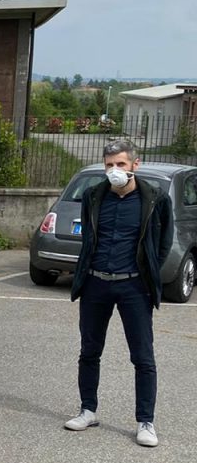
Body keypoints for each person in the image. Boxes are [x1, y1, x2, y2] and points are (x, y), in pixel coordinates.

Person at [65, 139, 173, 446]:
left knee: (143, 357)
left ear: (135, 165)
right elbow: (88, 235)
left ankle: (145, 422)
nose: (115, 170)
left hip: (133, 286)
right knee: (89, 351)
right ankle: (88, 410)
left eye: (121, 164)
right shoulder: (93, 196)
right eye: (109, 164)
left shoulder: (155, 199)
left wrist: (147, 272)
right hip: (96, 283)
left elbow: (164, 242)